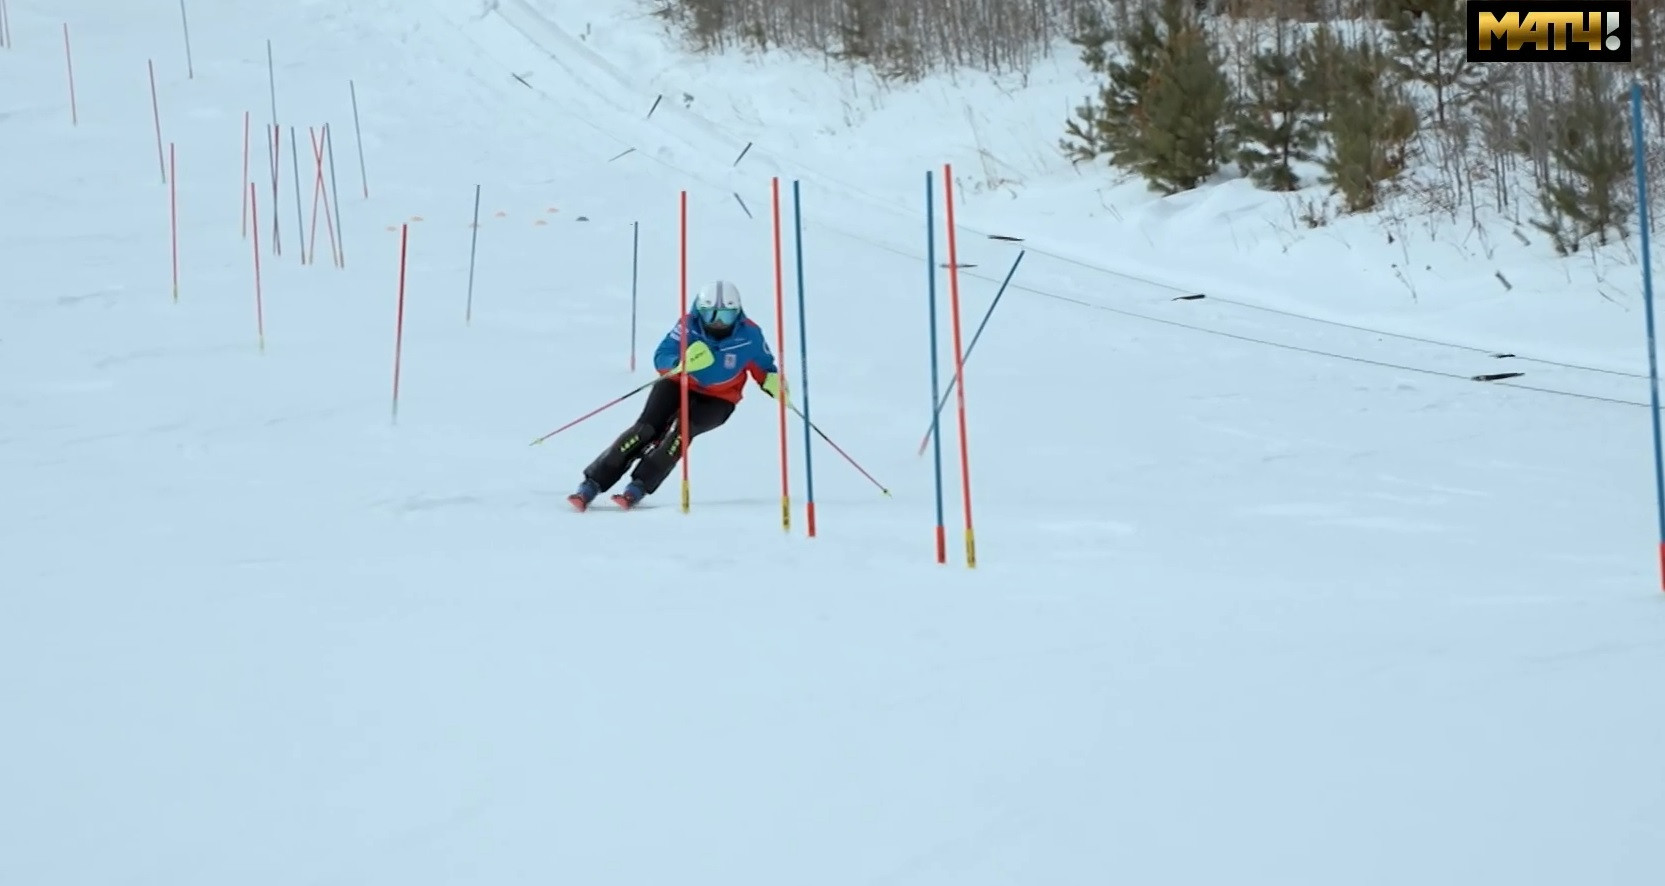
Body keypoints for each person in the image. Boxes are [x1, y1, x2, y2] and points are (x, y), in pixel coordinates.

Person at [568, 280, 785, 511]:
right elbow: (663, 354)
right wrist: (677, 364)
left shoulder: (750, 335)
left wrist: (772, 382)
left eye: (726, 315)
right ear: (700, 312)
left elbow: (764, 367)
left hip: (720, 398)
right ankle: (592, 483)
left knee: (680, 433)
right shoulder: (688, 326)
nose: (718, 322)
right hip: (677, 382)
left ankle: (639, 485)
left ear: (737, 312)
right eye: (711, 315)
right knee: (645, 430)